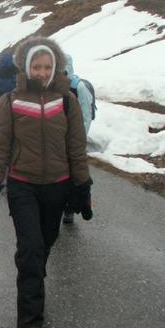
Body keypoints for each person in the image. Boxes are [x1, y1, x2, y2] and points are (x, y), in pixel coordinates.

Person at [0, 36, 92, 328]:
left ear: (55, 68)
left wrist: (82, 186)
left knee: (45, 243)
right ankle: (30, 318)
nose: (42, 72)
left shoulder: (67, 101)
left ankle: (33, 273)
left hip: (57, 186)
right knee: (30, 248)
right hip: (22, 185)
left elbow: (76, 148)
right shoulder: (11, 101)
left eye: (46, 67)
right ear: (26, 67)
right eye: (36, 66)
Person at [62, 53, 95, 225]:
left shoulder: (78, 86)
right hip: (58, 140)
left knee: (74, 176)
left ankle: (70, 209)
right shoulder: (53, 86)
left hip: (74, 140)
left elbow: (86, 115)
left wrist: (79, 139)